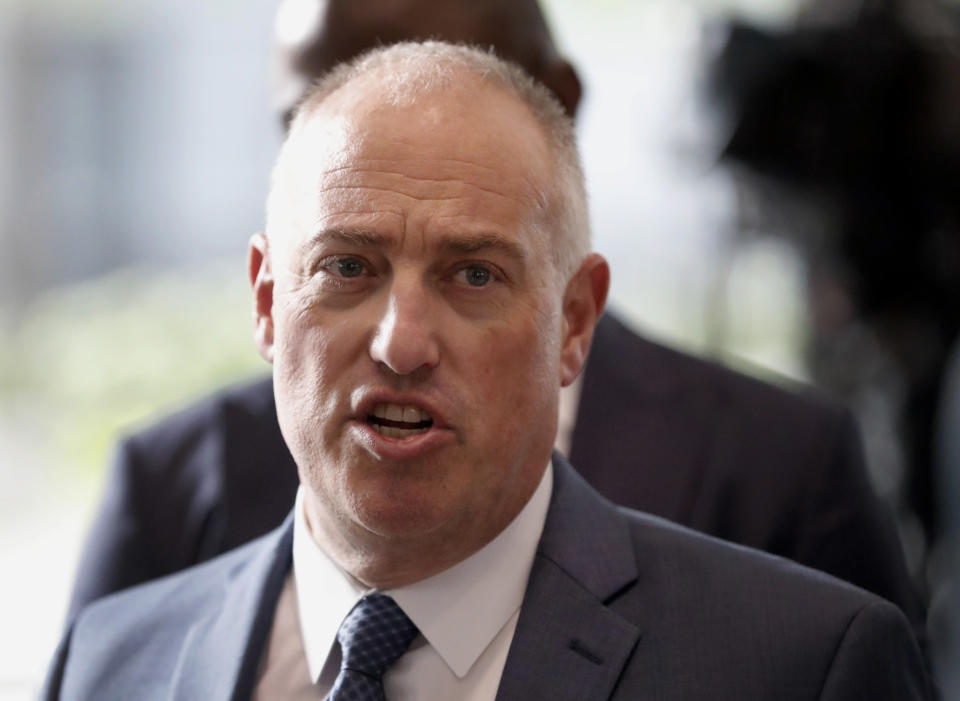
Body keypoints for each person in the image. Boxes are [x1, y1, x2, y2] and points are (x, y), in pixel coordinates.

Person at [44, 41, 930, 700]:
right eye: (348, 267)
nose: (401, 342)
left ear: (573, 322)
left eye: (474, 274)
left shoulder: (801, 663)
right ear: (269, 302)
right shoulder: (111, 661)